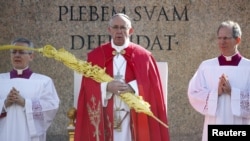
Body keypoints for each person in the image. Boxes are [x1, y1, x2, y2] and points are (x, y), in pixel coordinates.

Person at [74, 13, 170, 141]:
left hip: (133, 114)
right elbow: (88, 85)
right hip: (105, 113)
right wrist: (107, 86)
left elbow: (152, 85)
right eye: (115, 27)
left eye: (123, 28)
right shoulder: (96, 56)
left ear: (130, 30)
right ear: (109, 30)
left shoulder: (143, 56)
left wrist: (132, 87)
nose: (119, 31)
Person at [187, 20, 250, 141]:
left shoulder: (248, 67)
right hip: (215, 126)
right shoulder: (207, 66)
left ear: (238, 40)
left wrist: (233, 92)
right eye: (219, 38)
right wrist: (216, 93)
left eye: (226, 38)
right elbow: (194, 93)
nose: (222, 42)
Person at [0, 37, 60, 141]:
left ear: (31, 56)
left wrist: (25, 103)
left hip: (28, 136)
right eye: (14, 52)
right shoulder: (1, 80)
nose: (17, 55)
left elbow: (51, 106)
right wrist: (4, 104)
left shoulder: (43, 81)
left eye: (21, 52)